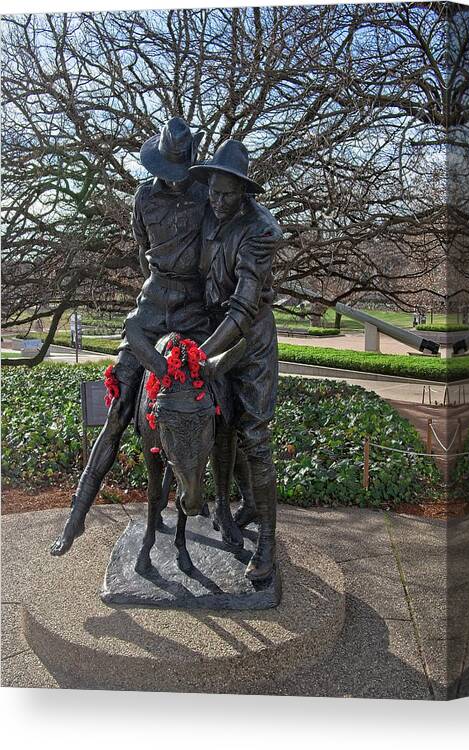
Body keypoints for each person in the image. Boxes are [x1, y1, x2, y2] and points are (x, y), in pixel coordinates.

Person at [51, 117, 211, 556]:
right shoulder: (142, 197)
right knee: (120, 404)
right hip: (153, 302)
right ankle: (77, 514)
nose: (172, 180)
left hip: (195, 310)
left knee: (216, 393)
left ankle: (220, 502)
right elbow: (144, 254)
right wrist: (158, 297)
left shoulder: (207, 196)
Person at [189, 139, 283, 581]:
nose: (217, 200)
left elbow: (244, 309)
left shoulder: (261, 230)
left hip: (250, 344)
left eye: (227, 194)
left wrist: (198, 354)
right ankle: (233, 504)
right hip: (213, 333)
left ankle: (266, 541)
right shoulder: (209, 211)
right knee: (220, 423)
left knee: (254, 436)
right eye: (213, 192)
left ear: (243, 191)